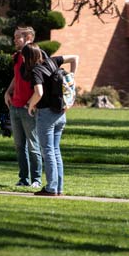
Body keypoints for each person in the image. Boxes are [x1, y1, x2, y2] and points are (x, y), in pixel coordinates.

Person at [22, 44, 79, 197]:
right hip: (60, 112)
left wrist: (30, 105)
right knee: (55, 151)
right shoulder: (52, 61)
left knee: (47, 151)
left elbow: (38, 92)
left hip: (46, 114)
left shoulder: (36, 71)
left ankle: (51, 188)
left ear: (27, 58)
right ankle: (58, 187)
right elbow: (75, 58)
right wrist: (72, 79)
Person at [3, 26, 43, 188]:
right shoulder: (18, 57)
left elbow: (41, 82)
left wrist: (31, 103)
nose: (14, 40)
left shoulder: (36, 57)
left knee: (33, 145)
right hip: (15, 106)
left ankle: (36, 179)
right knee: (19, 146)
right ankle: (23, 179)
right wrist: (8, 92)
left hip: (29, 108)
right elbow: (16, 76)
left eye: (17, 37)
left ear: (28, 39)